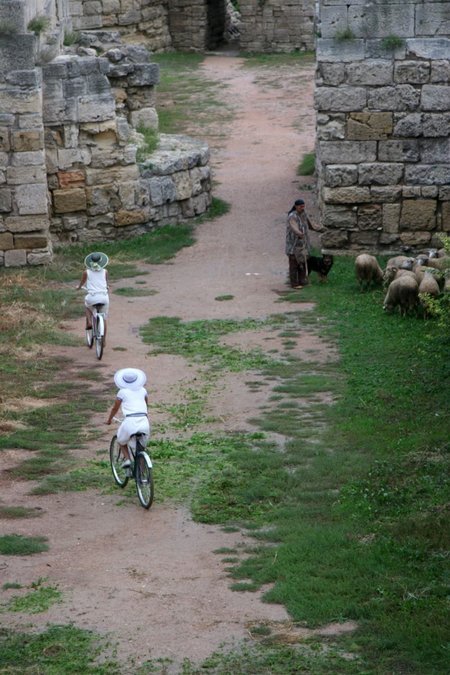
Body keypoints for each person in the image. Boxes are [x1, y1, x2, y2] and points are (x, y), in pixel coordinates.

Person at [106, 368, 150, 472]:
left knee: (121, 440)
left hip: (130, 421)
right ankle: (142, 472)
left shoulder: (122, 392)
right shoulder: (143, 390)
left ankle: (127, 459)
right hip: (143, 420)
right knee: (141, 447)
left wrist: (109, 419)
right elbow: (146, 404)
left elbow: (115, 408)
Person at [285, 199, 321, 289]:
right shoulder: (292, 216)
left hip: (303, 244)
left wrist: (320, 229)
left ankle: (302, 280)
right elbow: (293, 226)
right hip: (293, 244)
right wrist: (299, 233)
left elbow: (311, 225)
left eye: (303, 206)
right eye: (301, 206)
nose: (303, 208)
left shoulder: (304, 214)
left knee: (303, 262)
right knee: (294, 263)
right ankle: (294, 283)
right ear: (296, 206)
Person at [77, 252, 109, 344]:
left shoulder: (86, 272)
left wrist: (78, 287)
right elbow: (106, 283)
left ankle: (89, 322)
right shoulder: (105, 271)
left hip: (92, 297)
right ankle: (103, 340)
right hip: (103, 297)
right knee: (103, 317)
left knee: (87, 305)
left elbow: (82, 283)